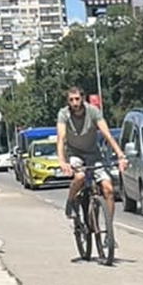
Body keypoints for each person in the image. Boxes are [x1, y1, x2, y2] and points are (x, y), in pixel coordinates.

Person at [55, 86, 127, 221]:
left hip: (93, 154)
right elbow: (61, 137)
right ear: (67, 101)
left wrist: (120, 155)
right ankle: (70, 201)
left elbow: (107, 134)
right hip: (75, 153)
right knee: (80, 176)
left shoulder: (93, 111)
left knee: (108, 188)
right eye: (71, 100)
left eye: (77, 99)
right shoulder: (64, 114)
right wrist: (62, 161)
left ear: (83, 98)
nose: (75, 103)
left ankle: (109, 229)